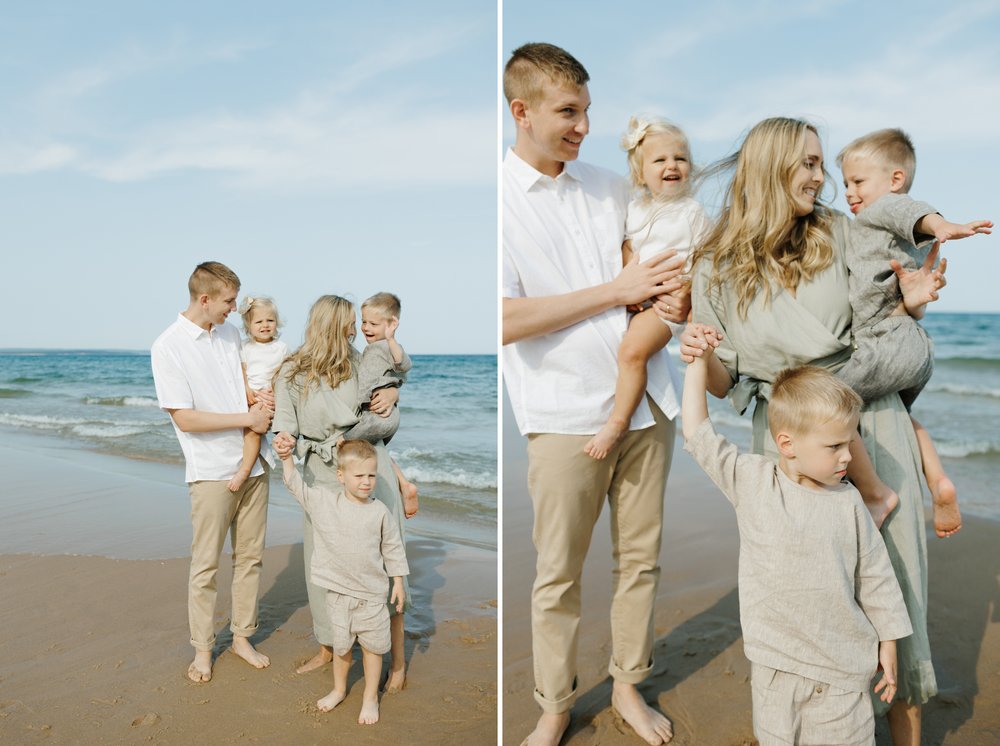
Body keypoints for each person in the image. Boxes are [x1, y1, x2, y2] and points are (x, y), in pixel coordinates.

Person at [684, 117, 945, 744]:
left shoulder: (843, 233)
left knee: (897, 581)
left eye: (822, 163)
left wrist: (913, 299)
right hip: (784, 440)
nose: (820, 176)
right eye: (807, 163)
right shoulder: (716, 264)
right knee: (806, 592)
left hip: (868, 418)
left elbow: (888, 318)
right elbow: (722, 383)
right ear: (771, 167)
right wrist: (697, 348)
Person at [502, 43, 689, 746]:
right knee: (558, 575)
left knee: (640, 561)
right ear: (522, 112)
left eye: (586, 110)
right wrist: (615, 291)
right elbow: (500, 319)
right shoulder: (495, 205)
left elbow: (670, 262)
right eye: (568, 112)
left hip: (649, 407)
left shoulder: (615, 186)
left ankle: (628, 688)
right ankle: (554, 705)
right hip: (560, 417)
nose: (582, 126)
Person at [683, 354, 912, 744]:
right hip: (776, 667)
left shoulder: (849, 502)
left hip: (842, 671)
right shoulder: (752, 482)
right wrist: (698, 362)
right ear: (787, 444)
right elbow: (698, 433)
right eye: (835, 446)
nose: (848, 456)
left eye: (850, 442)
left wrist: (888, 643)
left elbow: (875, 575)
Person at [835, 127, 991, 537]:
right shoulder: (888, 233)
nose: (849, 192)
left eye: (858, 181)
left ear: (895, 181)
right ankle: (938, 480)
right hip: (913, 343)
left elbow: (909, 212)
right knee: (904, 418)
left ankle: (875, 493)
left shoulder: (882, 211)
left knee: (827, 401)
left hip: (885, 341)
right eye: (846, 183)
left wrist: (941, 224)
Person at [271, 295, 411, 693]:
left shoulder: (362, 362)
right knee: (324, 565)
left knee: (386, 559)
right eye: (350, 322)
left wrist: (393, 394)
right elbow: (285, 423)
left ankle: (396, 661)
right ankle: (329, 647)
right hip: (320, 473)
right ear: (331, 326)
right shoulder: (293, 372)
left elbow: (387, 414)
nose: (356, 329)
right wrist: (283, 441)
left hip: (367, 466)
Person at [150, 261, 273, 683]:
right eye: (228, 301)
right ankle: (203, 650)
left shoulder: (231, 334)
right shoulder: (167, 346)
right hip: (210, 473)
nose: (235, 309)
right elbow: (185, 419)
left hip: (254, 466)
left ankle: (241, 637)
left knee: (250, 560)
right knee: (205, 566)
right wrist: (248, 418)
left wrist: (258, 401)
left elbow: (241, 386)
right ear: (205, 299)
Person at [585, 116, 709, 459]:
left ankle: (617, 422)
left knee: (631, 353)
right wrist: (631, 272)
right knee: (617, 351)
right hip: (636, 297)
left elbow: (706, 261)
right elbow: (625, 246)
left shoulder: (692, 212)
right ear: (641, 173)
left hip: (665, 303)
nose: (672, 165)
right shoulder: (635, 208)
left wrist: (685, 295)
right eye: (660, 160)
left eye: (680, 159)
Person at [278, 438, 408, 725]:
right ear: (341, 476)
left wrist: (398, 582)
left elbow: (393, 549)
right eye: (359, 475)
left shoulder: (380, 512)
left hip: (373, 596)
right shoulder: (326, 502)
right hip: (338, 595)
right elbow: (295, 485)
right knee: (342, 648)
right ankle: (338, 690)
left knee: (373, 650)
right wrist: (286, 457)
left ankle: (370, 697)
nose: (366, 482)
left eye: (372, 475)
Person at [339, 292, 418, 517]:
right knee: (376, 450)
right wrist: (395, 389)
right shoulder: (382, 349)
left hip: (377, 415)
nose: (365, 327)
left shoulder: (380, 348)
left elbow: (399, 367)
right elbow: (401, 371)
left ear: (391, 324)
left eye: (373, 323)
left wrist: (392, 340)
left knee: (342, 442)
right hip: (387, 416)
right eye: (363, 321)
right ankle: (403, 483)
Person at [228, 295, 289, 492]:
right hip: (247, 394)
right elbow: (242, 372)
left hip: (266, 398)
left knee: (253, 431)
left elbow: (285, 375)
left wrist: (273, 392)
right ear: (248, 325)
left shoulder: (280, 348)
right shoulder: (245, 346)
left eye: (270, 320)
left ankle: (244, 471)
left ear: (277, 323)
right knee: (238, 430)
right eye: (259, 321)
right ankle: (244, 463)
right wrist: (246, 390)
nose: (265, 325)